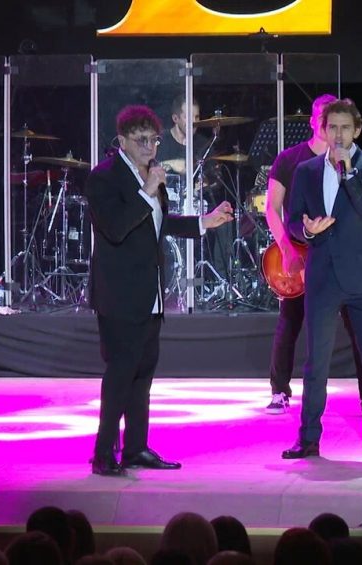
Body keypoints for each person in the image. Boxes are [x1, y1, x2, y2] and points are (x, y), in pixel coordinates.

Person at [86, 105, 234, 475]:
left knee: (143, 375)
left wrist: (204, 222)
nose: (150, 147)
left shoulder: (150, 174)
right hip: (119, 293)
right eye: (141, 140)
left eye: (153, 140)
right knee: (120, 373)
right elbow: (115, 228)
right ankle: (103, 454)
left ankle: (136, 448)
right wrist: (148, 189)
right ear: (122, 141)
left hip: (150, 291)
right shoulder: (104, 177)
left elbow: (159, 224)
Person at [282, 99, 362, 461]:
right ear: (322, 129)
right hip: (323, 276)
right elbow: (292, 220)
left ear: (357, 130)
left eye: (345, 127)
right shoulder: (305, 170)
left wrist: (348, 173)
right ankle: (308, 438)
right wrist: (306, 229)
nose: (338, 135)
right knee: (316, 360)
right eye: (332, 127)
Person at [263, 95, 362, 416]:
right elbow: (272, 208)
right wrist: (286, 250)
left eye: (338, 121)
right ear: (314, 122)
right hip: (300, 254)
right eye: (325, 119)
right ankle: (279, 391)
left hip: (340, 259)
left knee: (357, 325)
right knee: (290, 321)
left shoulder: (352, 161)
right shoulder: (290, 160)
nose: (332, 127)